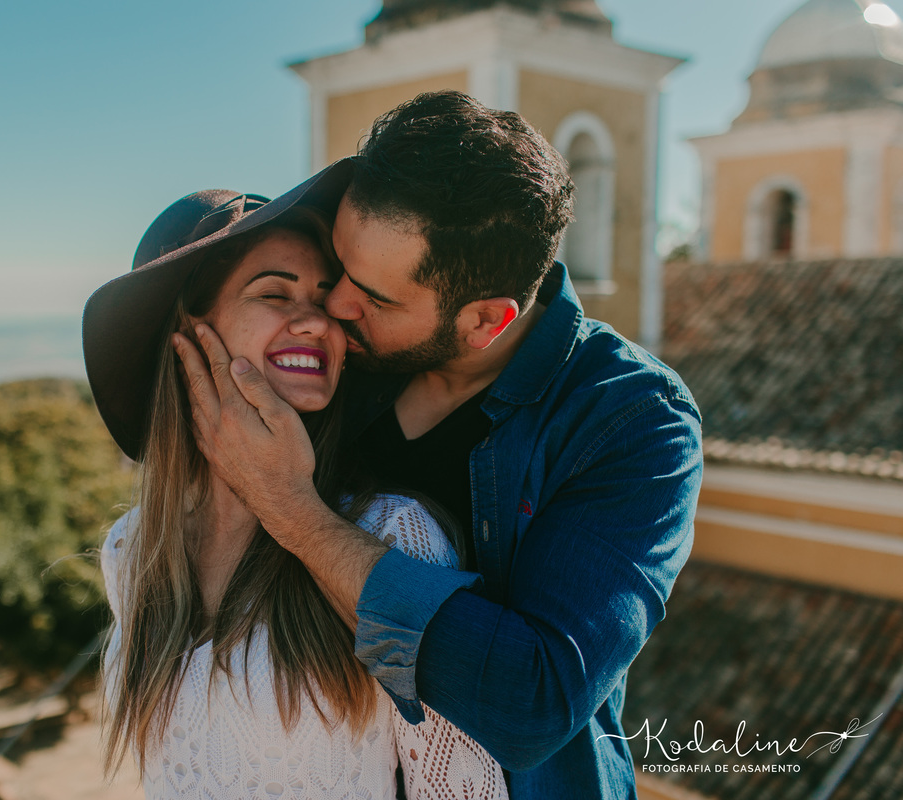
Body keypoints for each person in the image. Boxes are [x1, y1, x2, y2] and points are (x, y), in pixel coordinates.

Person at [174, 90, 704, 800]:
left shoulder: (631, 419)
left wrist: (293, 510)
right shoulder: (348, 360)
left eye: (374, 296)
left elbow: (532, 703)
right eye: (339, 268)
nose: (334, 307)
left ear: (486, 319)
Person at [82, 186, 507, 798]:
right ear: (187, 332)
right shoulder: (134, 549)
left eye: (326, 302)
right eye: (275, 294)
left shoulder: (392, 536)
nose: (316, 322)